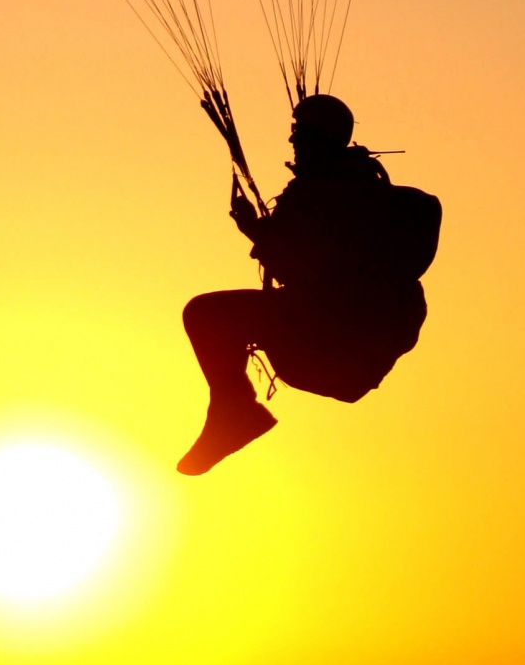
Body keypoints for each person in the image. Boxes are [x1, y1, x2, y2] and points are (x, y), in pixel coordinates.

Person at [177, 92, 441, 475]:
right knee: (213, 315)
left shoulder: (327, 197)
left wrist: (257, 233)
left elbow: (322, 274)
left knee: (206, 314)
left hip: (331, 344)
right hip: (347, 356)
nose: (292, 142)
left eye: (299, 133)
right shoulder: (357, 190)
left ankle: (236, 412)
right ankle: (234, 411)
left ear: (319, 139)